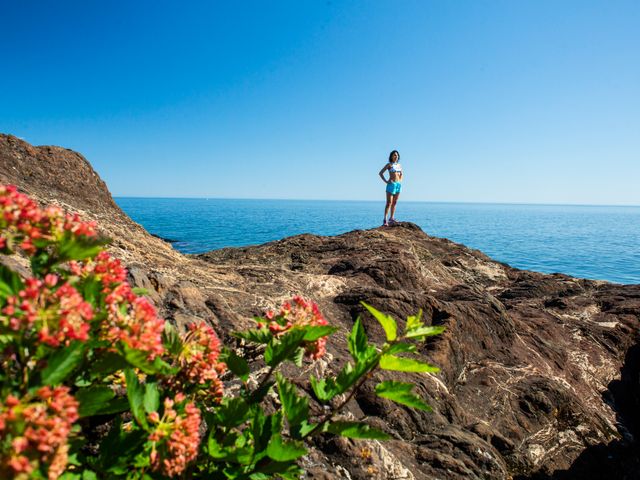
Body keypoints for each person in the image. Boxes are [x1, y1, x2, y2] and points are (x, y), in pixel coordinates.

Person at [378, 149, 402, 226]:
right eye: (394, 155)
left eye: (397, 155)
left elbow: (401, 174)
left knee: (394, 203)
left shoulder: (399, 165)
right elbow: (380, 173)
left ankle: (391, 218)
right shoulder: (389, 165)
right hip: (391, 185)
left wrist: (400, 181)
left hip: (398, 185)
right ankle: (385, 220)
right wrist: (386, 181)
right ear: (391, 156)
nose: (396, 156)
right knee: (389, 203)